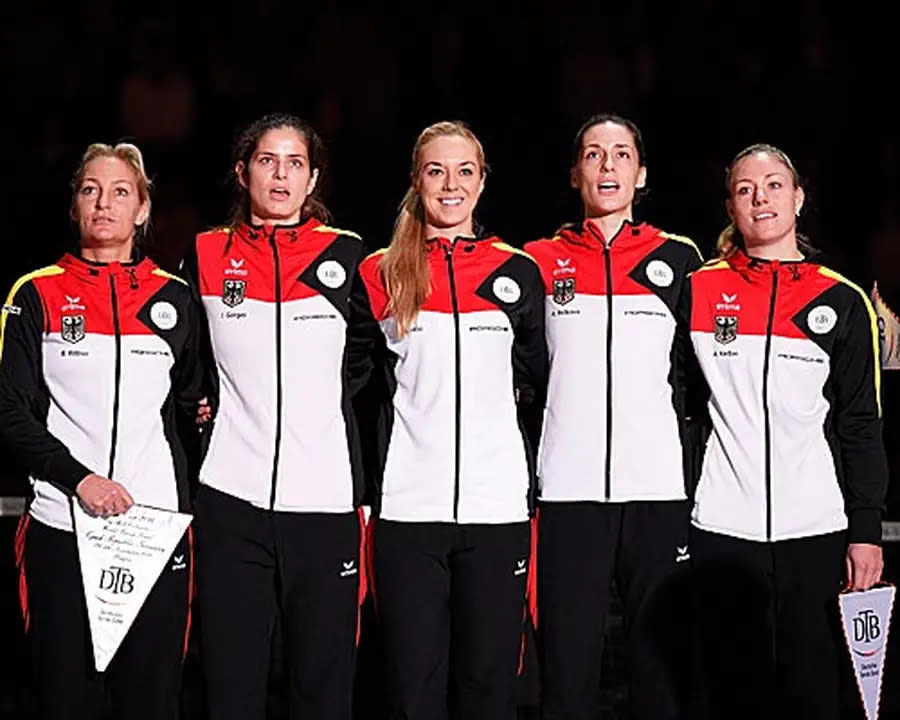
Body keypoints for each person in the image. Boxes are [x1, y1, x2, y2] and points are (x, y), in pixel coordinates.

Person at [679, 143, 888, 720]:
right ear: (730, 205)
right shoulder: (696, 291)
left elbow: (860, 423)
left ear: (798, 197)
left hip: (816, 530)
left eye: (773, 185)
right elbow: (680, 404)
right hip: (722, 527)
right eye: (745, 189)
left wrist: (865, 528)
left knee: (813, 693)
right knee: (729, 693)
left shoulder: (842, 301)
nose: (760, 197)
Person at [348, 120, 548, 720]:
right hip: (409, 513)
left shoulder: (517, 272)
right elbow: (353, 389)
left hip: (497, 512)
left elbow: (539, 384)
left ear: (483, 183)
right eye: (436, 171)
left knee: (488, 688)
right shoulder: (380, 272)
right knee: (412, 690)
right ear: (417, 181)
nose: (451, 184)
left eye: (465, 171)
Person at [1, 142, 204, 720]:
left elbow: (194, 405)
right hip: (62, 524)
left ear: (142, 210)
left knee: (152, 701)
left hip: (153, 529)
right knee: (67, 700)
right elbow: (10, 412)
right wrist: (79, 480)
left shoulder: (175, 297)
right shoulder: (33, 292)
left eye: (120, 192)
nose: (104, 203)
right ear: (74, 206)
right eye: (90, 189)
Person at [183, 113, 367, 720]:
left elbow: (370, 364)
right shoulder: (208, 253)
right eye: (267, 161)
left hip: (324, 501)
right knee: (231, 688)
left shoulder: (349, 257)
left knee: (323, 687)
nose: (280, 175)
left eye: (294, 163)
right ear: (243, 172)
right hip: (231, 499)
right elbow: (185, 360)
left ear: (312, 177)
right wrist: (202, 400)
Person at [524, 113, 702, 719]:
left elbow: (698, 375)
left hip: (657, 491)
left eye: (621, 154)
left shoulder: (679, 260)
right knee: (568, 673)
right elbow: (520, 369)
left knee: (660, 672)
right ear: (575, 173)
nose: (607, 166)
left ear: (641, 172)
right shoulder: (537, 261)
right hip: (569, 492)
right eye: (594, 154)